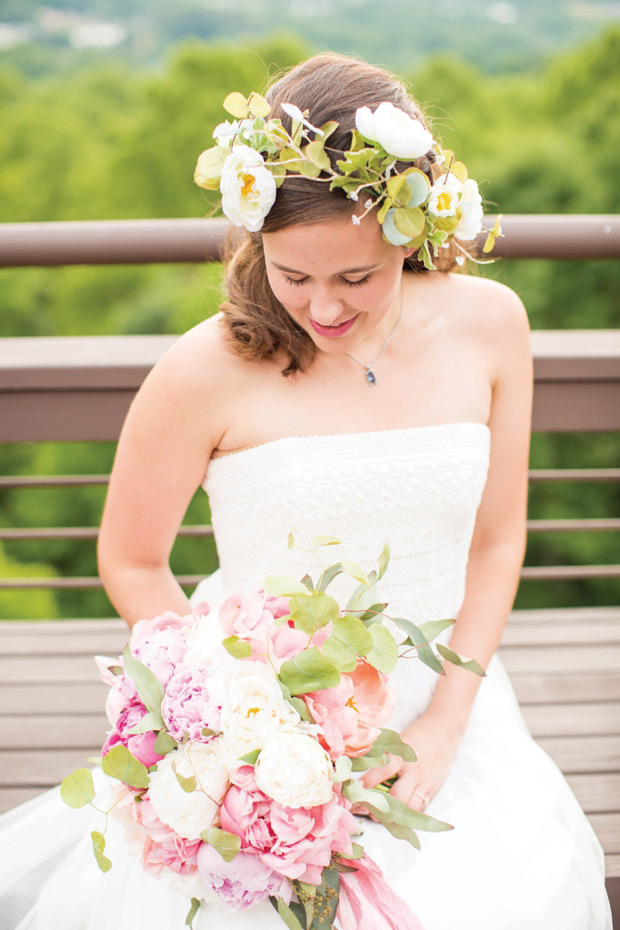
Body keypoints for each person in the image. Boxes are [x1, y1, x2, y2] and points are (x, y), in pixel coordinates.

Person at [0, 53, 611, 930]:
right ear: (257, 241)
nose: (322, 308)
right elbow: (131, 557)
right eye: (293, 275)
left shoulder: (492, 325)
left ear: (411, 231)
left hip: (450, 703)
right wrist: (237, 725)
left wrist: (445, 722)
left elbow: (496, 541)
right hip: (267, 719)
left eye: (355, 278)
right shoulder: (203, 368)